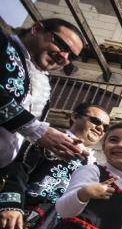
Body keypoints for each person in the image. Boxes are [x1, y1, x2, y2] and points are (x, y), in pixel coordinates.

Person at [0, 19, 86, 166]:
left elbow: (22, 146)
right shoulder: (3, 44)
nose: (64, 56)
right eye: (61, 44)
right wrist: (36, 129)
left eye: (71, 56)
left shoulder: (44, 90)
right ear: (37, 29)